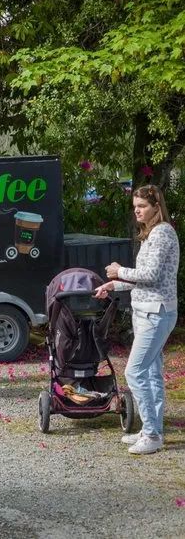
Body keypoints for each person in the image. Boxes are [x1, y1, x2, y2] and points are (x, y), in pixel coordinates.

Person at [94, 185, 178, 455]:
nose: (137, 211)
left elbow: (150, 275)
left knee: (135, 371)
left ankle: (151, 434)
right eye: (135, 207)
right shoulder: (151, 234)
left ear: (156, 207)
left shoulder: (162, 233)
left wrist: (119, 271)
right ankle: (152, 430)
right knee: (151, 373)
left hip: (156, 312)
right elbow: (142, 279)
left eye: (142, 206)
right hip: (146, 311)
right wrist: (112, 285)